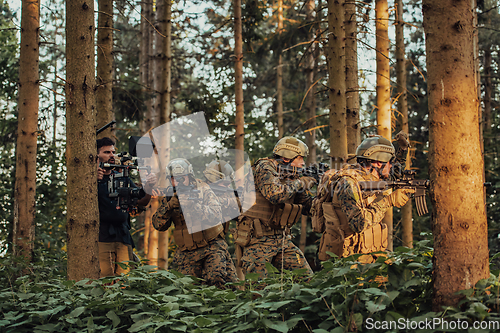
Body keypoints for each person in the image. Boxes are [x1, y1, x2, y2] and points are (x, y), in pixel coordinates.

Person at [312, 135, 414, 264]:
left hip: (369, 256)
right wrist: (388, 201)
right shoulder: (348, 183)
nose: (391, 166)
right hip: (348, 262)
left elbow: (395, 174)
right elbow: (359, 224)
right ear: (378, 163)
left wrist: (403, 150)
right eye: (389, 162)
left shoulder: (371, 178)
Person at [235, 136, 316, 279]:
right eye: (300, 158)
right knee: (259, 292)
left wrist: (323, 189)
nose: (303, 163)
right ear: (287, 158)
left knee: (308, 281)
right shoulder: (265, 167)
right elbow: (275, 195)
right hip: (257, 241)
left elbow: (307, 207)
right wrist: (301, 182)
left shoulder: (292, 176)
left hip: (282, 240)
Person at [152, 158, 238, 288]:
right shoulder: (171, 195)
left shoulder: (203, 189)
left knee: (219, 280)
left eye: (182, 178)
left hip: (211, 245)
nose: (178, 182)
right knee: (187, 291)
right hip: (187, 252)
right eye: (174, 178)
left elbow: (215, 215)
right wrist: (168, 207)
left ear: (189, 176)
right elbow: (158, 225)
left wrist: (193, 205)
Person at [97, 137, 156, 278]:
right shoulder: (90, 179)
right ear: (96, 155)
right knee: (105, 279)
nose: (111, 155)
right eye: (106, 152)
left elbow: (142, 201)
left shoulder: (121, 176)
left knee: (125, 280)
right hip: (102, 237)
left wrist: (148, 187)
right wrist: (97, 180)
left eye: (113, 151)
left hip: (123, 235)